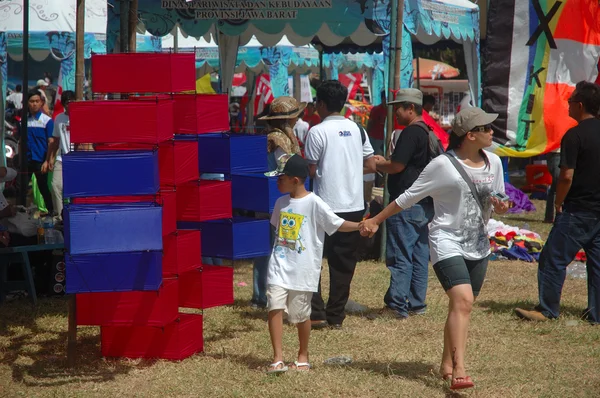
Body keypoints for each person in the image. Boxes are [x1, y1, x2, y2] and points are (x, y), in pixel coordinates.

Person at [361, 107, 509, 390]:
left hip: (478, 243)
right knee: (463, 300)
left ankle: (446, 362)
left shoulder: (494, 162)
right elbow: (408, 197)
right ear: (470, 135)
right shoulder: (442, 165)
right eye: (487, 128)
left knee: (461, 306)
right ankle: (460, 370)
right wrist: (377, 220)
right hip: (445, 240)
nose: (492, 132)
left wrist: (502, 203)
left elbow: (498, 194)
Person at [264, 154, 360, 374]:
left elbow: (336, 224)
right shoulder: (280, 203)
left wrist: (359, 226)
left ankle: (302, 355)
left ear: (295, 180)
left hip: (302, 270)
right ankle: (277, 358)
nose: (277, 181)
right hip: (278, 267)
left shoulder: (314, 203)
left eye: (281, 178)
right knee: (274, 307)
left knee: (300, 315)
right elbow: (277, 232)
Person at [515, 81, 600, 324]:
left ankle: (547, 309)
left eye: (570, 101)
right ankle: (596, 313)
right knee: (597, 265)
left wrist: (558, 203)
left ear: (580, 105)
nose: (567, 105)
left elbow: (566, 176)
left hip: (578, 210)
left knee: (552, 258)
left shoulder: (574, 135)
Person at [304, 80, 376, 329]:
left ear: (321, 103)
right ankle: (335, 317)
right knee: (344, 264)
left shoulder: (316, 131)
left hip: (323, 204)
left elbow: (311, 169)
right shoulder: (357, 129)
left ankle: (316, 313)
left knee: (313, 259)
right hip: (354, 204)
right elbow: (371, 163)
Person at [371, 88, 436, 319]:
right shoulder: (429, 132)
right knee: (419, 254)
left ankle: (396, 305)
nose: (395, 112)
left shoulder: (410, 133)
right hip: (424, 203)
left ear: (411, 108)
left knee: (400, 255)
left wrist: (380, 164)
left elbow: (397, 166)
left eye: (398, 107)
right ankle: (417, 303)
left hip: (405, 203)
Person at [251, 97, 304, 310]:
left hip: (265, 198)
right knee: (278, 248)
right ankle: (268, 295)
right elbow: (288, 166)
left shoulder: (269, 136)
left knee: (266, 249)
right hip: (277, 199)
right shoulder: (280, 139)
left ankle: (260, 294)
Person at [47, 90, 75, 220]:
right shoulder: (59, 118)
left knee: (76, 187)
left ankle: (75, 213)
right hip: (62, 157)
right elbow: (55, 140)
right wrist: (50, 159)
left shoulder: (82, 116)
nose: (69, 105)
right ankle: (61, 216)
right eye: (67, 103)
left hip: (78, 158)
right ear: (63, 104)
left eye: (71, 102)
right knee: (56, 185)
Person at [26, 90, 55, 215]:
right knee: (21, 188)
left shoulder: (47, 121)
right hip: (26, 160)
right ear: (27, 103)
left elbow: (51, 142)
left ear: (41, 103)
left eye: (37, 101)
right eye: (32, 101)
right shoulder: (24, 120)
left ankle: (52, 211)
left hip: (40, 159)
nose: (34, 104)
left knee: (43, 187)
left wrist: (47, 160)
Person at [366, 91, 387, 156]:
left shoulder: (392, 109)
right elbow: (370, 123)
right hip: (376, 138)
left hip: (385, 138)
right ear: (382, 98)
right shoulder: (376, 109)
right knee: (377, 157)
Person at [544, 148, 561, 223]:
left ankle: (551, 216)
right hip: (556, 153)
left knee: (556, 186)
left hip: (566, 152)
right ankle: (552, 216)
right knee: (557, 185)